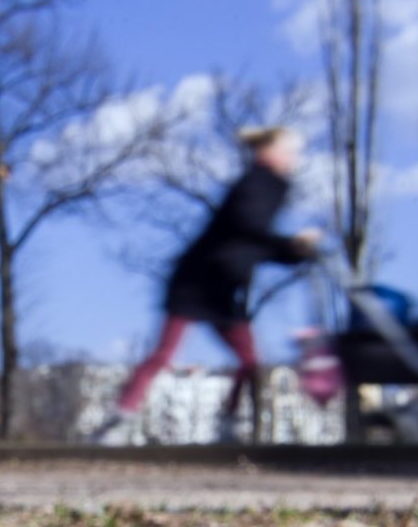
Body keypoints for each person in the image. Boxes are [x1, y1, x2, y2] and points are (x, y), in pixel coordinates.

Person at [94, 126, 320, 444]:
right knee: (164, 354)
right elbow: (248, 228)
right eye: (290, 150)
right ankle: (118, 419)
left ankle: (226, 423)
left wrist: (293, 252)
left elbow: (253, 242)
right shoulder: (259, 182)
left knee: (250, 361)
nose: (295, 158)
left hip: (223, 287)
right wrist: (291, 243)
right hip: (197, 281)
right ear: (268, 151)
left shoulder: (270, 185)